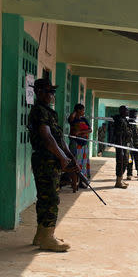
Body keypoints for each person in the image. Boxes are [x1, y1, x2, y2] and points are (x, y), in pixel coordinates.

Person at [28, 78, 79, 252]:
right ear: (39, 92)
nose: (52, 95)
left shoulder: (50, 113)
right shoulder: (39, 111)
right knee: (50, 198)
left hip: (52, 160)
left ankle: (41, 235)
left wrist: (70, 156)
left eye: (53, 92)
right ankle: (48, 238)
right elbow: (47, 138)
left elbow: (59, 139)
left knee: (45, 197)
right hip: (45, 160)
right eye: (49, 92)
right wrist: (62, 157)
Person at [68, 104, 92, 190]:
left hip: (84, 145)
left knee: (83, 163)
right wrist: (75, 112)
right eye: (82, 110)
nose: (83, 112)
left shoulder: (84, 119)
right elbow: (70, 120)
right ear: (78, 110)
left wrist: (80, 133)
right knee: (76, 163)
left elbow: (90, 129)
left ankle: (82, 182)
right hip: (76, 144)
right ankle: (75, 182)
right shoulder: (73, 119)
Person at [113, 106, 132, 189]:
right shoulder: (120, 121)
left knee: (125, 162)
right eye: (126, 110)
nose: (128, 112)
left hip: (125, 145)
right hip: (121, 145)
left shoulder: (125, 120)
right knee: (120, 163)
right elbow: (119, 135)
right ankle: (118, 181)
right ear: (122, 111)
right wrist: (120, 148)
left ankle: (120, 179)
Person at [126, 110, 138, 181]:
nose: (135, 117)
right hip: (130, 146)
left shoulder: (137, 125)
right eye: (134, 115)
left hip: (136, 146)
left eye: (135, 115)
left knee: (137, 161)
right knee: (130, 161)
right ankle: (130, 174)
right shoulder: (127, 124)